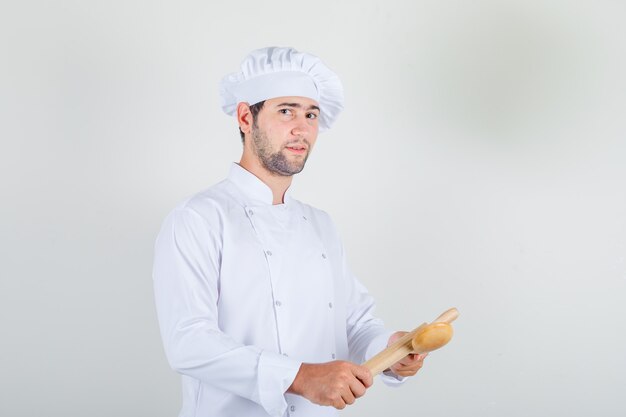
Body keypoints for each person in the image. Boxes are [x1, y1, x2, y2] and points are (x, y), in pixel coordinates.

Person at [153, 46, 426, 417]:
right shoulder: (199, 217)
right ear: (245, 117)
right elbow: (188, 341)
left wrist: (392, 349)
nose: (302, 128)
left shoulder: (320, 224)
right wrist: (299, 377)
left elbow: (354, 323)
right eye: (286, 112)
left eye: (311, 114)